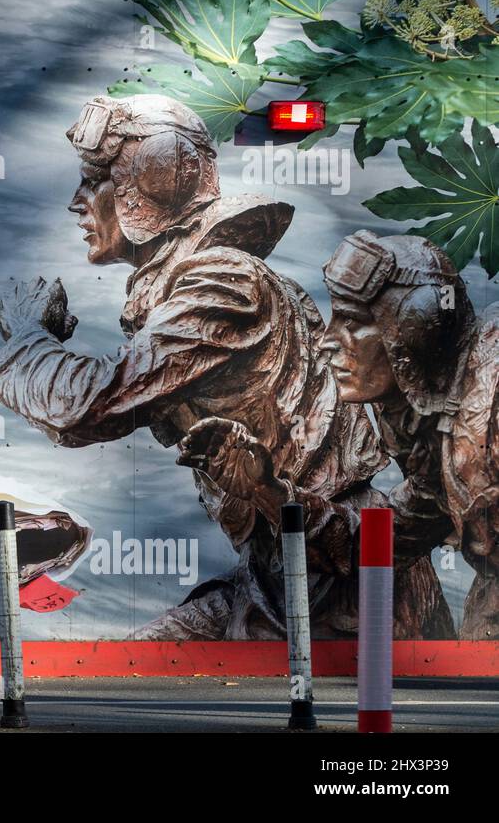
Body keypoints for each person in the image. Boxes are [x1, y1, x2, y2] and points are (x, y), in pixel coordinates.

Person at [0, 93, 453, 639]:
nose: (77, 202)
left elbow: (87, 408)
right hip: (285, 566)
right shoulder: (196, 283)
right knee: (135, 673)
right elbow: (87, 419)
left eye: (94, 181)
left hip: (339, 577)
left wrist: (26, 339)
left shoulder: (222, 282)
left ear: (148, 182)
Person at [185, 231, 497, 637]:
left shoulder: (490, 390)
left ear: (413, 327)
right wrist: (270, 491)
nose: (328, 341)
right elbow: (380, 543)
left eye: (351, 320)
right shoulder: (435, 427)